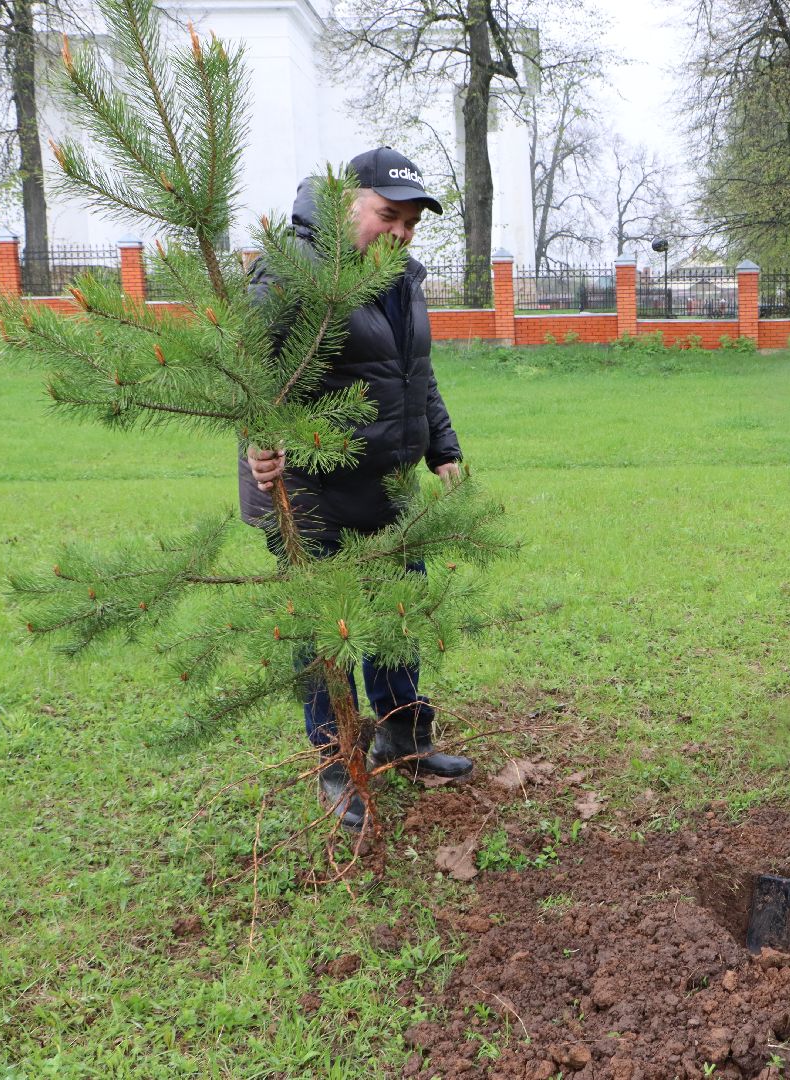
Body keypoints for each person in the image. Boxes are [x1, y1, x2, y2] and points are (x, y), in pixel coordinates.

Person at [241, 146, 471, 833]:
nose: (399, 232)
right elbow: (251, 370)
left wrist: (442, 450)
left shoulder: (401, 278)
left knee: (398, 621)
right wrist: (259, 444)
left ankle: (403, 736)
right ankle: (336, 765)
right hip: (313, 493)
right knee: (327, 636)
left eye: (410, 223)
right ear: (349, 202)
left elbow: (415, 374)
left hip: (389, 487)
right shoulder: (292, 271)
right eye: (387, 215)